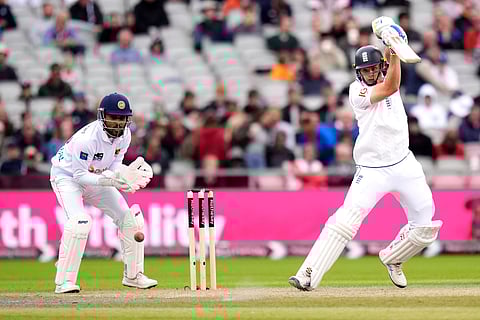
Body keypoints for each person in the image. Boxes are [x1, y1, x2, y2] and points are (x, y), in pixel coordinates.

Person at [288, 24, 443, 291]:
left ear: (380, 66)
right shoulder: (356, 92)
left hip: (405, 164)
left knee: (426, 227)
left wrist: (391, 43)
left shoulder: (388, 72)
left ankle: (393, 258)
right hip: (372, 170)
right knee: (345, 222)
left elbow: (392, 77)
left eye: (373, 68)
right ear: (358, 73)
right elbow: (391, 86)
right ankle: (307, 274)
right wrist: (393, 50)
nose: (370, 73)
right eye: (365, 70)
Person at [50, 93, 157, 294]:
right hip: (67, 177)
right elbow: (80, 175)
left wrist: (123, 177)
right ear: (102, 116)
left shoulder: (125, 136)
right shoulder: (87, 139)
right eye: (113, 117)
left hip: (96, 176)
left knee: (130, 220)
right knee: (79, 223)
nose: (117, 123)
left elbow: (114, 165)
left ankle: (133, 275)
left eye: (121, 118)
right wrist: (110, 179)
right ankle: (64, 281)